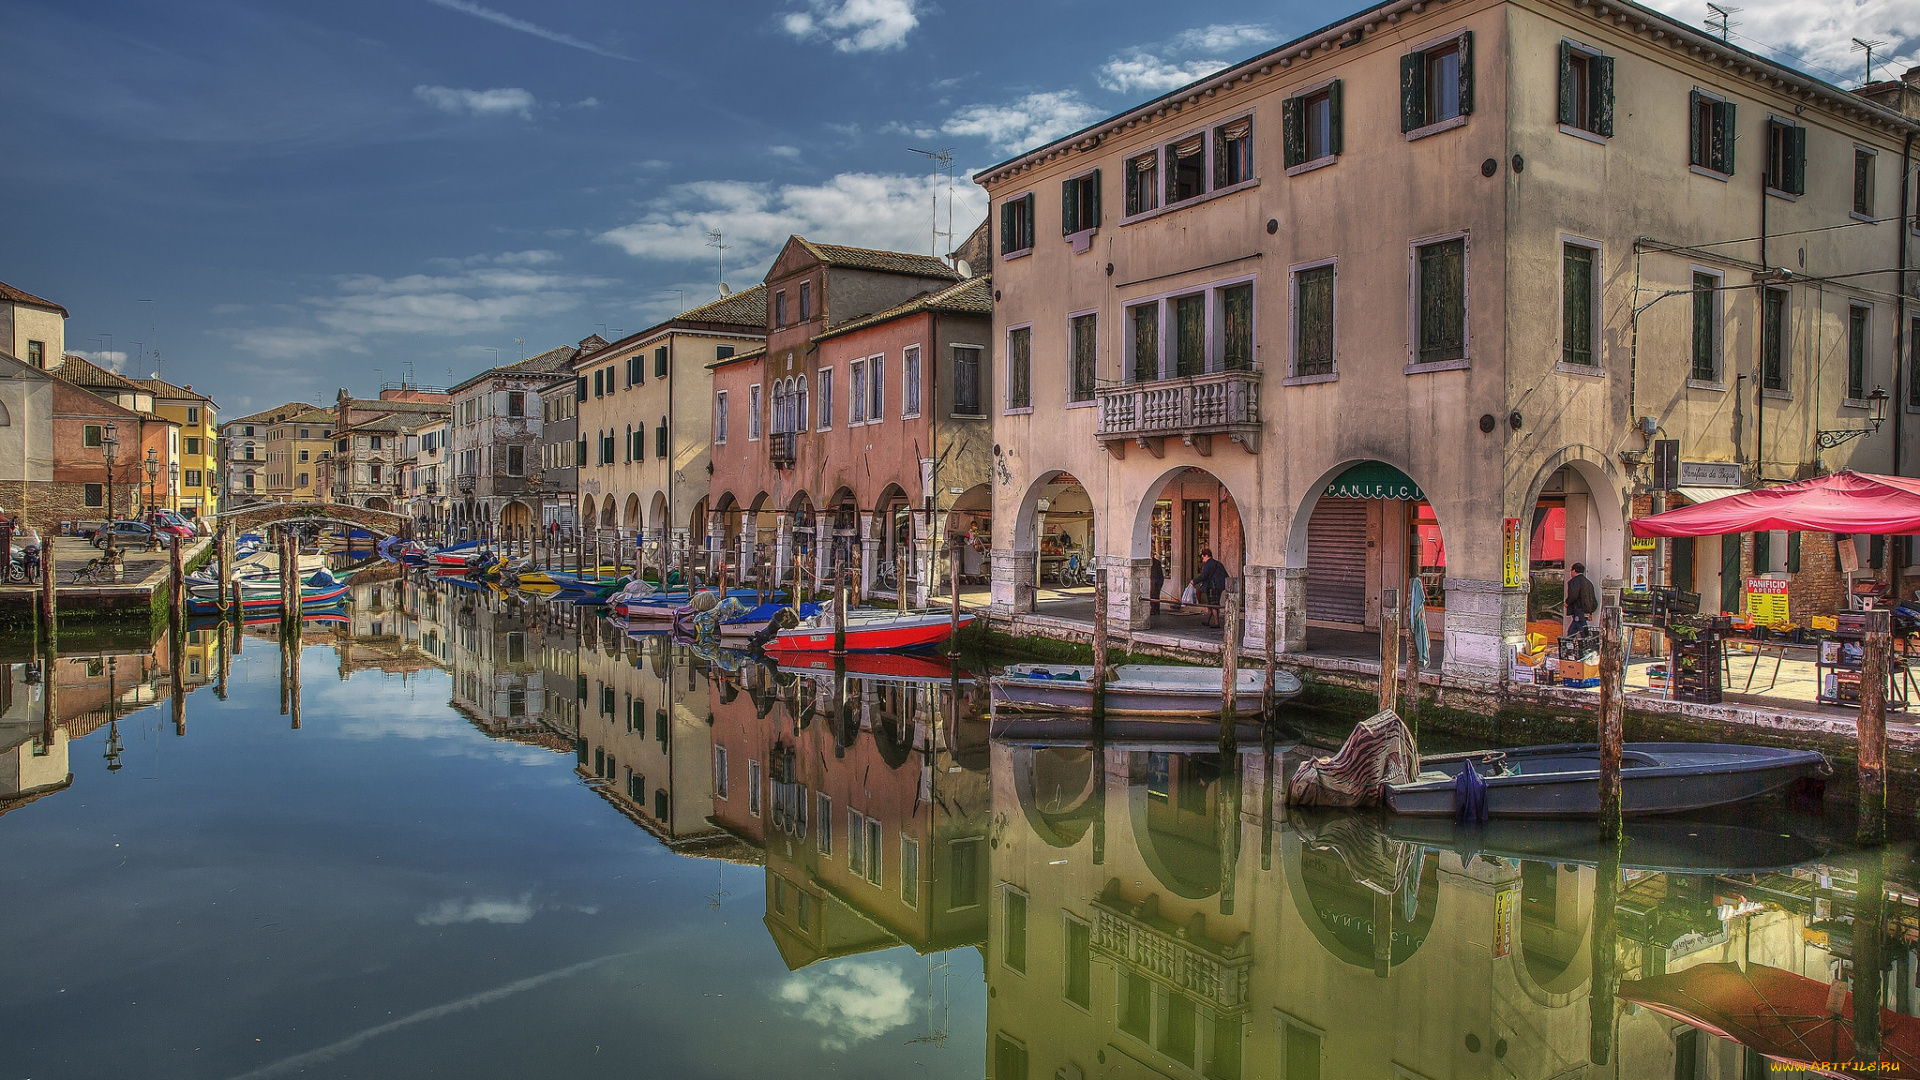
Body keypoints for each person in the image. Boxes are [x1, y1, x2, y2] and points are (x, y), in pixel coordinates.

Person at [1193, 549, 1228, 628]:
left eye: (1203, 558)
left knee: (1213, 604)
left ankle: (1216, 623)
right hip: (1218, 586)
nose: (1203, 560)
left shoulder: (1208, 564)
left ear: (1206, 556)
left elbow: (1204, 575)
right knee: (1210, 604)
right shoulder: (1217, 563)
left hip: (1212, 586)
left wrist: (1194, 581)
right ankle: (1207, 620)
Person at [1565, 561, 1598, 635]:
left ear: (1574, 571)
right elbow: (1592, 597)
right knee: (1575, 629)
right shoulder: (1588, 582)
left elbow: (1573, 595)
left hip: (1578, 609)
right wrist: (1590, 611)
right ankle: (1568, 643)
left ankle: (1569, 643)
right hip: (1585, 610)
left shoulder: (1574, 581)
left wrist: (1567, 602)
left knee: (1580, 629)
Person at [1149, 556, 1165, 627]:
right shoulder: (1151, 562)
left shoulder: (1156, 562)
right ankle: (1154, 609)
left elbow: (1159, 574)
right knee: (1152, 595)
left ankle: (1155, 609)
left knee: (1155, 595)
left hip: (1156, 581)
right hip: (1153, 581)